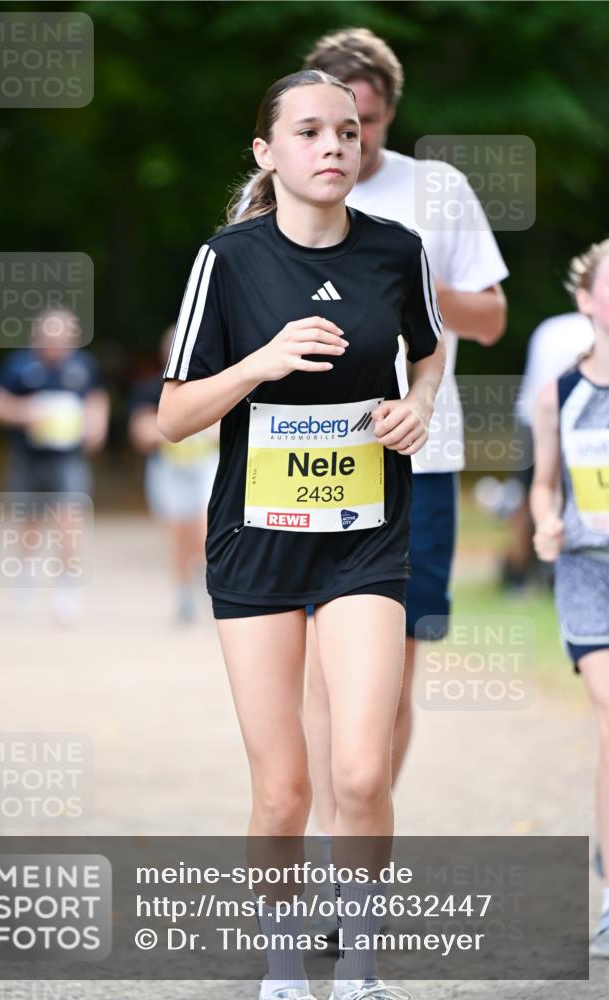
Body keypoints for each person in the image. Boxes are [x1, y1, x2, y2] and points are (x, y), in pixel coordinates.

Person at [159, 69, 445, 1000]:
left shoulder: (396, 251)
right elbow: (171, 416)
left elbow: (430, 351)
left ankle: (357, 966)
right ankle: (284, 968)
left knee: (360, 772)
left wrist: (416, 406)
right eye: (311, 131)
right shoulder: (228, 260)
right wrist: (263, 360)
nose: (334, 146)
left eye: (349, 132)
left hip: (365, 535)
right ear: (267, 152)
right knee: (282, 789)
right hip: (258, 543)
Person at [298, 27, 508, 867]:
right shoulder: (285, 186)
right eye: (330, 124)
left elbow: (490, 320)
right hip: (308, 457)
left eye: (367, 124)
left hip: (420, 460)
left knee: (391, 675)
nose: (349, 143)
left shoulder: (438, 191)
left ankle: (362, 844)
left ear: (388, 113)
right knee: (318, 668)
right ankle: (321, 845)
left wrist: (402, 282)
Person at [530, 239, 609, 959]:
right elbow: (542, 481)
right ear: (585, 301)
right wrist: (544, 521)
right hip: (589, 575)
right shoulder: (561, 389)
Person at [0, 308, 109, 623]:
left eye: (64, 336)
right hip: (29, 456)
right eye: (51, 335)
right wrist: (25, 412)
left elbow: (97, 400)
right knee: (29, 522)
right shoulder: (19, 365)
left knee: (69, 520)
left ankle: (66, 588)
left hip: (68, 457)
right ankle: (27, 572)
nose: (57, 341)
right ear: (39, 335)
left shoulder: (83, 366)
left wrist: (96, 425)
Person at [500, 311, 596, 593]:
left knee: (527, 497)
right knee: (570, 495)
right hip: (570, 419)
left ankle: (517, 579)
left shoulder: (549, 327)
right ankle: (553, 572)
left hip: (531, 417)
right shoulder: (591, 333)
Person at [128, 326, 218, 623]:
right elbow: (143, 433)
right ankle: (183, 593)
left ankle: (211, 584)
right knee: (179, 531)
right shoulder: (150, 389)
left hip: (207, 466)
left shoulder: (214, 385)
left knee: (207, 526)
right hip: (170, 469)